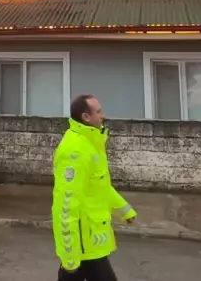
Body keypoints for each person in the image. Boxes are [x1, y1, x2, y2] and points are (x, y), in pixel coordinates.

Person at [52, 94, 136, 281]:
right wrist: (69, 255)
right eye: (98, 112)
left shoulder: (91, 143)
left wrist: (125, 210)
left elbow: (100, 187)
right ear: (86, 117)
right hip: (82, 245)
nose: (103, 115)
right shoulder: (75, 151)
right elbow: (65, 205)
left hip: (91, 241)